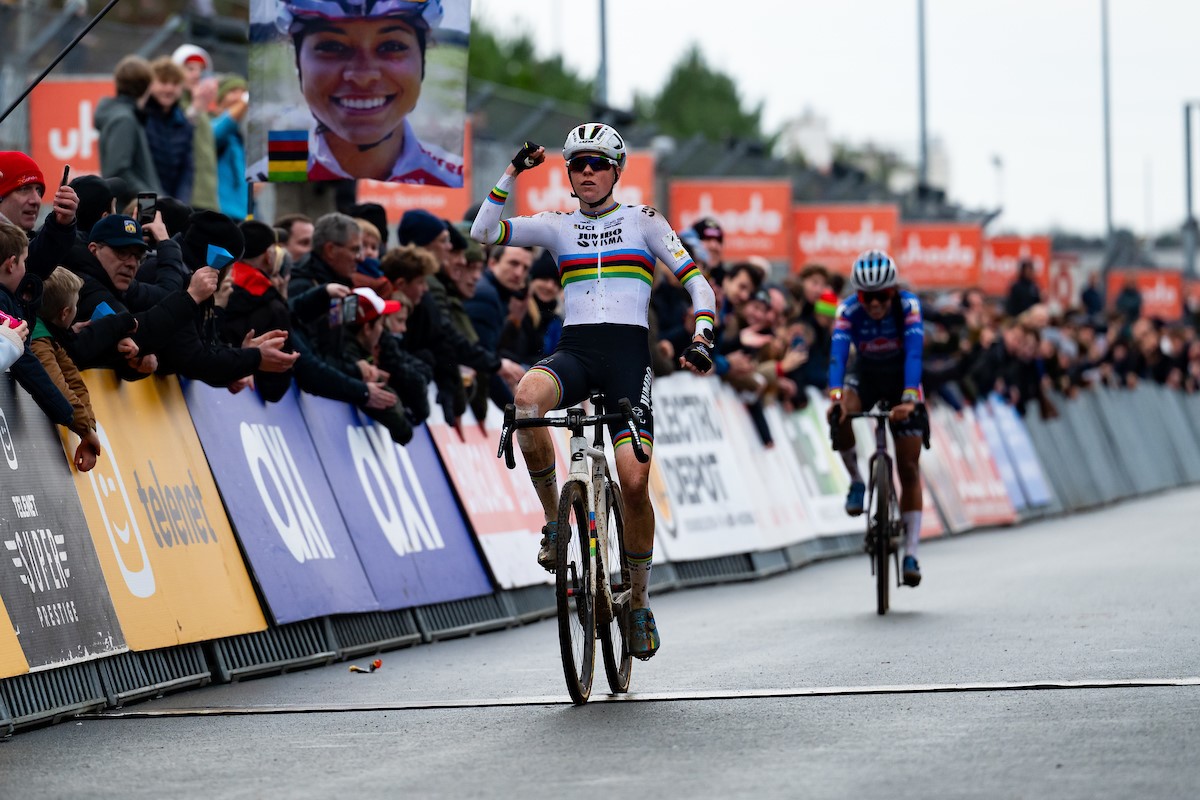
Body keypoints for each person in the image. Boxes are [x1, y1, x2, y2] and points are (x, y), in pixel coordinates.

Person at [469, 123, 718, 660]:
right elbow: (483, 233)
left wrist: (702, 334)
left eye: (598, 163)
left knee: (633, 481)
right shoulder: (557, 227)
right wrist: (511, 172)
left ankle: (640, 602)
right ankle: (556, 525)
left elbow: (698, 283)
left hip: (629, 358)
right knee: (526, 403)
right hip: (576, 352)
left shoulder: (645, 221)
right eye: (578, 163)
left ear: (616, 171)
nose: (587, 171)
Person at [249, 0, 463, 185]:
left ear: (422, 60)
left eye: (392, 46)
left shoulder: (454, 176)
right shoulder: (267, 174)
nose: (363, 75)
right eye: (332, 46)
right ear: (297, 61)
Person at [826, 250, 927, 588]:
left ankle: (911, 551)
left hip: (902, 379)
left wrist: (910, 398)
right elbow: (838, 356)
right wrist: (835, 396)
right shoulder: (848, 310)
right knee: (841, 413)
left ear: (893, 291)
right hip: (866, 374)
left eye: (882, 296)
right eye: (867, 297)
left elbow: (915, 353)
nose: (874, 304)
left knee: (909, 467)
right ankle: (857, 480)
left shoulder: (908, 307)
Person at [30, 268, 104, 472]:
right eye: (76, 306)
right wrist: (85, 430)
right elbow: (57, 386)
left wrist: (88, 429)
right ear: (65, 313)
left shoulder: (50, 337)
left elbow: (74, 381)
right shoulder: (37, 339)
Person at [95, 56, 162, 195]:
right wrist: (150, 198)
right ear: (147, 86)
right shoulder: (124, 119)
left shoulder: (126, 115)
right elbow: (118, 171)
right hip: (132, 210)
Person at [144, 57, 195, 203]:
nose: (169, 89)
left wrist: (180, 204)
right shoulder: (141, 118)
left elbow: (187, 171)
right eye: (163, 82)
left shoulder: (184, 124)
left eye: (174, 83)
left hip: (173, 202)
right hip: (145, 198)